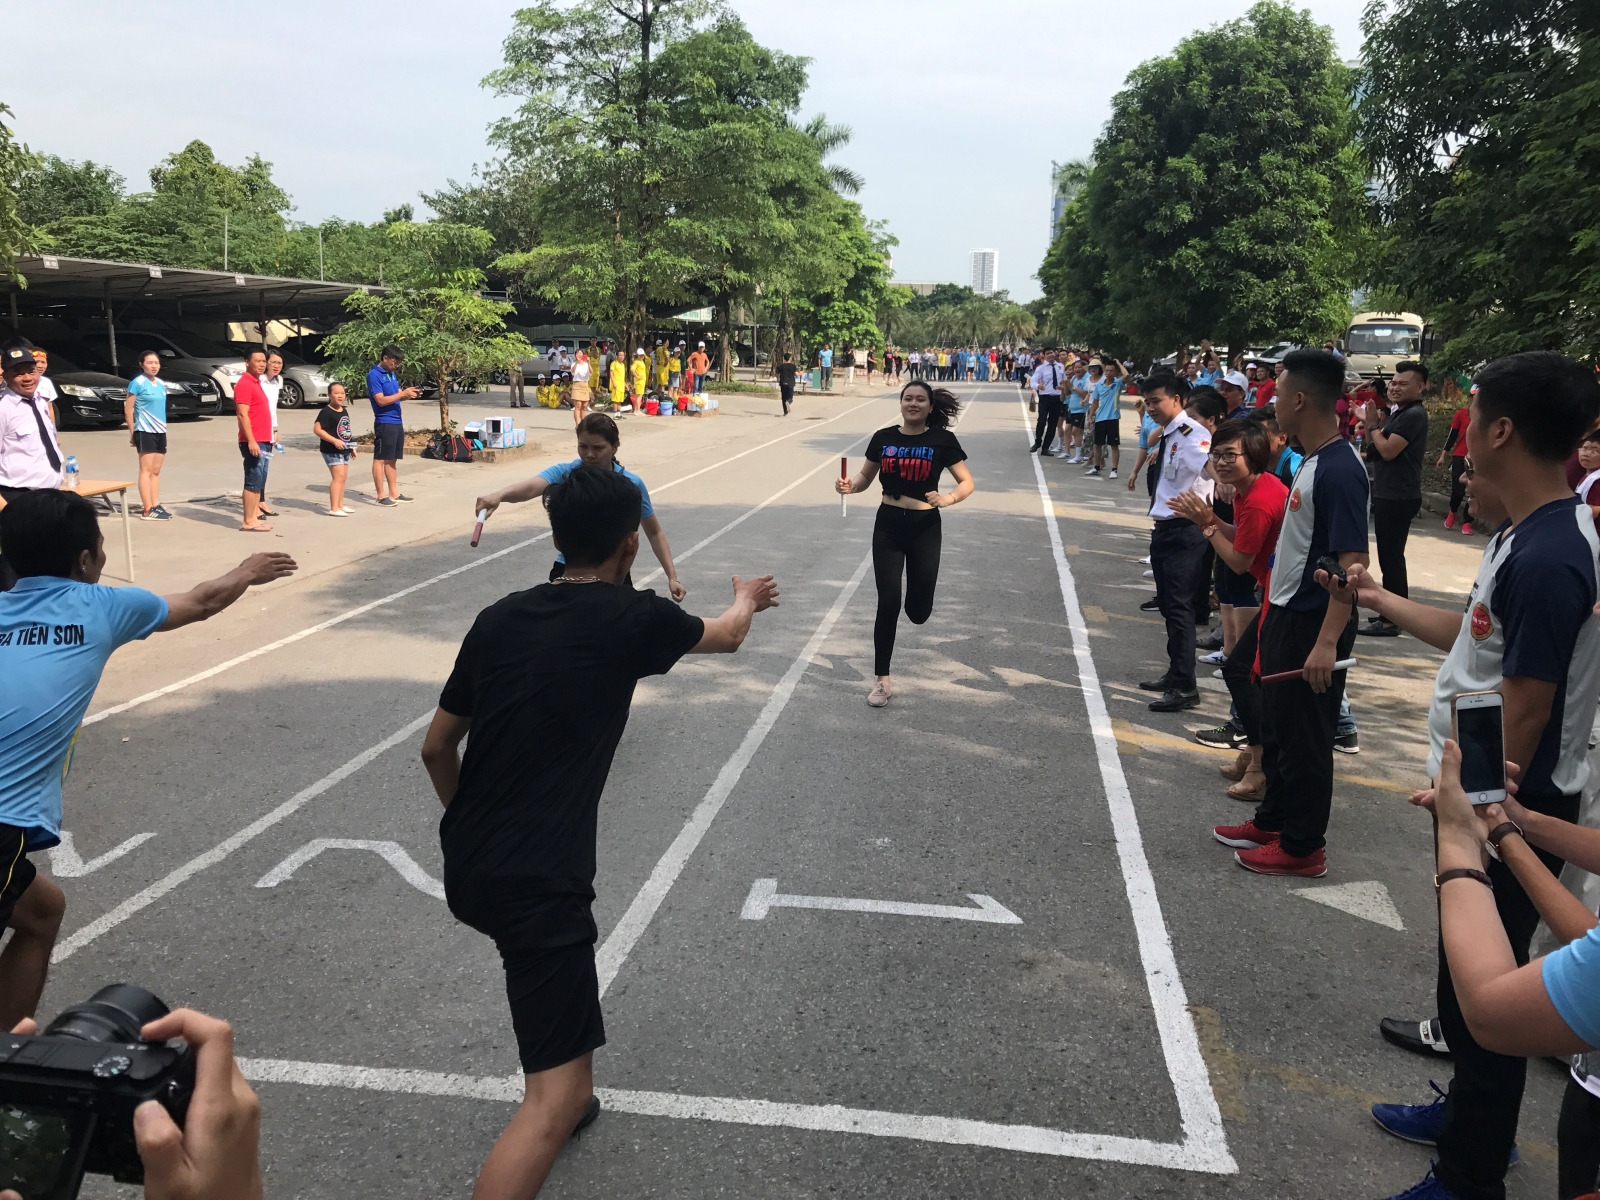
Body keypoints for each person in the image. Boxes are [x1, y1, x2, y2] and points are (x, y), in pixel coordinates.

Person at [421, 465, 777, 1200]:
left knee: (557, 1030)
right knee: (546, 1105)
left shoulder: (498, 618)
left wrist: (466, 829)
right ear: (629, 544)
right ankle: (563, 1100)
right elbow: (729, 636)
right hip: (538, 883)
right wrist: (745, 596)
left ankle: (576, 1091)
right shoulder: (633, 619)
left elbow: (435, 748)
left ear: (557, 537)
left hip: (469, 862)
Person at [1335, 354, 1600, 1200]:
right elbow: (1476, 633)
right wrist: (1381, 600)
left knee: (1488, 991)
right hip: (1484, 801)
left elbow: (1527, 707)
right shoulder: (1527, 534)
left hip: (1510, 808)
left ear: (1502, 431)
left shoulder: (1553, 554)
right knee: (1463, 977)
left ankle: (1471, 1170)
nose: (1465, 433)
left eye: (1475, 413)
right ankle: (1468, 1120)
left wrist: (1476, 818)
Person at [0, 490, 295, 1024]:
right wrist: (248, 569)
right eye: (101, 547)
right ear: (85, 561)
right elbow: (202, 601)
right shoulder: (101, 607)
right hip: (3, 822)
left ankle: (9, 1043)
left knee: (42, 911)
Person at [1212, 349, 1368, 877]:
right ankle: (1273, 820)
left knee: (1306, 738)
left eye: (1277, 392)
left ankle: (1303, 848)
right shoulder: (1311, 460)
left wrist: (1326, 641)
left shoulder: (1341, 469)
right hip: (1282, 611)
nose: (1270, 401)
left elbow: (1353, 565)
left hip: (1311, 622)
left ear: (1299, 400)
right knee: (1279, 727)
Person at [836, 381, 974, 708]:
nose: (913, 403)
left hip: (925, 526)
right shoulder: (884, 438)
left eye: (920, 399)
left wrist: (948, 499)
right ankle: (881, 680)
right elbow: (864, 478)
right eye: (908, 398)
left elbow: (966, 482)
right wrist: (849, 485)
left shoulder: (942, 440)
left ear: (930, 406)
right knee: (888, 601)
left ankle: (919, 607)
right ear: (900, 403)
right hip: (888, 525)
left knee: (918, 611)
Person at [1170, 419, 1288, 797]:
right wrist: (1209, 518)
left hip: (1285, 596)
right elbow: (1244, 537)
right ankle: (1254, 755)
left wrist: (1207, 526)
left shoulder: (1260, 498)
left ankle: (1259, 764)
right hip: (1275, 590)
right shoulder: (1248, 489)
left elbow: (1239, 561)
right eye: (1216, 455)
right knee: (1245, 672)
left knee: (1241, 671)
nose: (1220, 463)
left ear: (1254, 455)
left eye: (1229, 455)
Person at [475, 412, 686, 601]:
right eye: (583, 446)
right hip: (569, 569)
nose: (589, 455)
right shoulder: (567, 473)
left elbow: (654, 532)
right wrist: (499, 496)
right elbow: (531, 487)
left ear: (615, 447)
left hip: (613, 570)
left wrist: (672, 577)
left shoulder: (631, 484)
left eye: (598, 448)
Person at [1138, 372, 1214, 713]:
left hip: (1185, 530)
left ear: (1177, 400)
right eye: (1147, 402)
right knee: (1170, 606)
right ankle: (1175, 672)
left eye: (1157, 401)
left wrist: (1227, 489)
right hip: (1165, 529)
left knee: (1180, 609)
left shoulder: (1191, 433)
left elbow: (1210, 466)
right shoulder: (1170, 434)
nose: (1151, 407)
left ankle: (1185, 686)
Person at [1359, 360, 1430, 637]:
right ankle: (1389, 614)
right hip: (1389, 492)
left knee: (1392, 560)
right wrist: (1374, 426)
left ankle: (1391, 620)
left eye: (1403, 383)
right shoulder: (1399, 413)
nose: (1395, 388)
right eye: (1393, 383)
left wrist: (1373, 425)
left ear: (1421, 387)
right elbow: (1374, 450)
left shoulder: (1414, 415)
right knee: (1389, 558)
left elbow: (1387, 451)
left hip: (1399, 495)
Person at [123, 349, 172, 522]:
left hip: (160, 431)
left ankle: (155, 504)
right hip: (144, 430)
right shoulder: (137, 383)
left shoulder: (161, 384)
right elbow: (128, 410)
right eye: (150, 363)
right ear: (141, 364)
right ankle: (147, 508)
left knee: (156, 471)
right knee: (146, 470)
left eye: (156, 363)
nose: (154, 366)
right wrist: (133, 432)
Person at [367, 344, 418, 507]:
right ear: (385, 358)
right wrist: (401, 394)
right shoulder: (374, 375)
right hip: (384, 422)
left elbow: (395, 396)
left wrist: (406, 395)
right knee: (380, 458)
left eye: (398, 363)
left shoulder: (391, 374)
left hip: (397, 420)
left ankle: (394, 493)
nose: (395, 366)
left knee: (392, 458)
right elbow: (381, 400)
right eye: (393, 362)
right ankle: (381, 496)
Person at [234, 349, 275, 532]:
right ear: (247, 362)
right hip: (254, 440)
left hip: (264, 439)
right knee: (252, 479)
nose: (261, 364)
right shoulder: (244, 384)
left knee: (259, 480)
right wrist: (251, 440)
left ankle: (254, 517)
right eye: (257, 361)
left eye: (264, 361)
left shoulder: (257, 383)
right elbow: (243, 414)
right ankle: (248, 520)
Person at [312, 382, 358, 516]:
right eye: (336, 393)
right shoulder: (326, 412)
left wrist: (352, 447)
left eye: (342, 393)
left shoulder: (344, 410)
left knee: (343, 478)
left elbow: (346, 431)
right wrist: (334, 441)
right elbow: (317, 429)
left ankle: (340, 505)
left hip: (344, 449)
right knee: (338, 478)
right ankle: (334, 508)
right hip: (331, 450)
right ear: (329, 395)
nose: (340, 396)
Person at [1439, 375, 1474, 533]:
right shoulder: (1461, 414)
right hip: (1460, 456)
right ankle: (1453, 512)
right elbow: (1452, 435)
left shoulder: (1486, 417)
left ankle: (1468, 521)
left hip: (1477, 458)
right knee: (1458, 490)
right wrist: (1443, 454)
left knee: (1473, 490)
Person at [1086, 360, 1125, 478]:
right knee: (1097, 444)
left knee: (1114, 445)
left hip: (1113, 418)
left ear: (1116, 372)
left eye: (1111, 371)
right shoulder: (1099, 385)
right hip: (1100, 418)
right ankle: (1096, 467)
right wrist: (1090, 417)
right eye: (1107, 370)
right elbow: (1095, 402)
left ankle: (1114, 470)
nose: (1108, 373)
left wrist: (1119, 363)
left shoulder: (1118, 383)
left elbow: (1127, 376)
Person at [571, 352, 592, 425]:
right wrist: (577, 362)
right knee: (578, 406)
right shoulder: (574, 364)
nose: (579, 355)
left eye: (580, 353)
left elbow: (591, 372)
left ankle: (583, 424)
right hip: (577, 384)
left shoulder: (586, 364)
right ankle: (577, 424)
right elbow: (572, 372)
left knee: (584, 406)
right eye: (577, 354)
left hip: (585, 384)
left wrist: (589, 362)